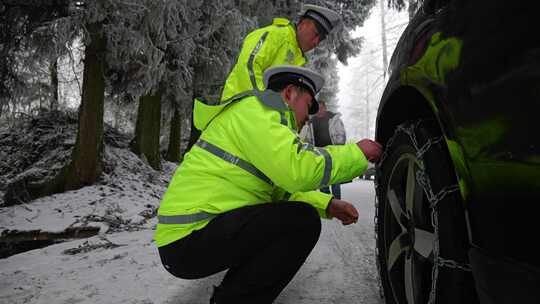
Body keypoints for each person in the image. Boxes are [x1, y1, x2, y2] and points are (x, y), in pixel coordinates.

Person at [155, 65, 383, 304]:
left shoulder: (261, 119)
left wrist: (327, 204)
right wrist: (356, 153)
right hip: (189, 237)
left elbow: (279, 195)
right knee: (301, 222)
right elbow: (297, 170)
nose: (308, 118)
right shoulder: (257, 112)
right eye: (308, 105)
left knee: (293, 218)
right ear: (289, 93)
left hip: (192, 235)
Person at [220, 4, 341, 101]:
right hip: (236, 109)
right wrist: (267, 104)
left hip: (257, 120)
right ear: (303, 24)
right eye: (315, 34)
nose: (316, 42)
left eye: (320, 40)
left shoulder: (298, 60)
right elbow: (248, 65)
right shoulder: (276, 34)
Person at [301, 100, 347, 199]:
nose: (320, 111)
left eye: (321, 108)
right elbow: (306, 139)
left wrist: (338, 147)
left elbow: (341, 135)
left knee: (335, 181)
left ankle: (337, 202)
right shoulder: (311, 122)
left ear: (325, 108)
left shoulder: (334, 119)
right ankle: (328, 204)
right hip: (319, 155)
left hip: (334, 154)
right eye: (318, 109)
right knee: (323, 182)